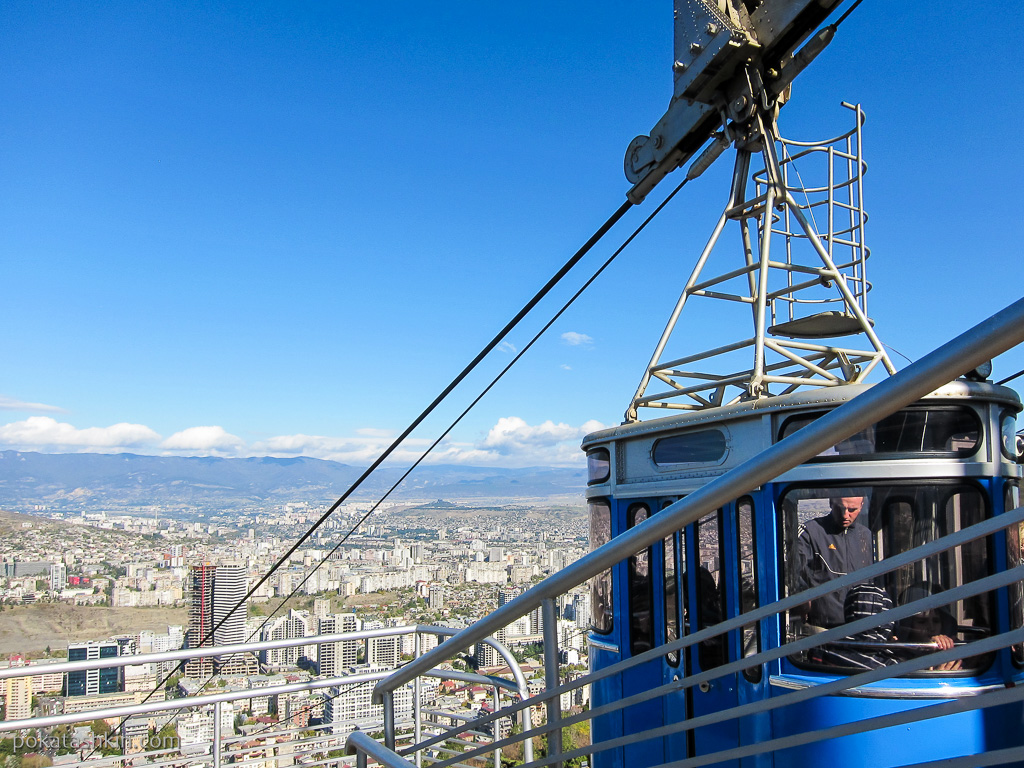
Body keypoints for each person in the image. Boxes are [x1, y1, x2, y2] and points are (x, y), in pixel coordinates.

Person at [795, 495, 874, 628]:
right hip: (823, 627)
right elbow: (795, 573)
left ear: (861, 506)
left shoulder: (865, 535)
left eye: (852, 509)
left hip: (862, 625)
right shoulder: (810, 532)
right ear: (831, 503)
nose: (845, 515)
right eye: (840, 508)